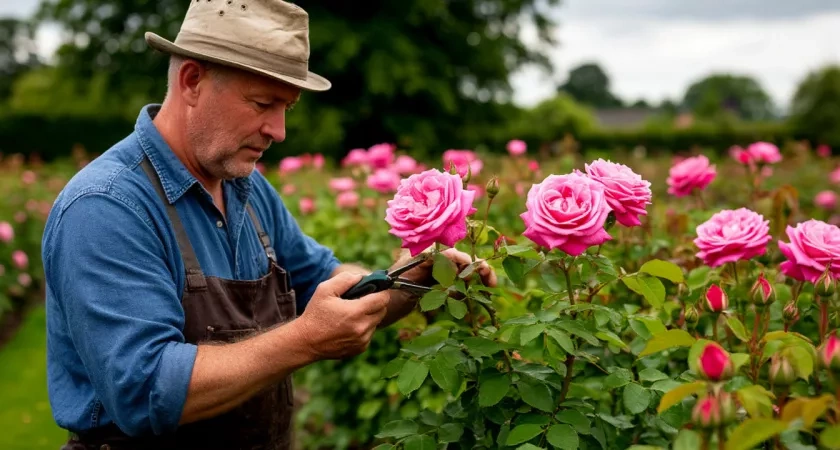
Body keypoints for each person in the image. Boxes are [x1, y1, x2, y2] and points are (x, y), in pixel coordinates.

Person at [41, 1, 497, 449]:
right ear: (192, 80)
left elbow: (328, 283)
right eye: (262, 103)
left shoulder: (247, 189)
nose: (278, 130)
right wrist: (304, 339)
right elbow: (143, 390)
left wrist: (408, 280)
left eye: (287, 108)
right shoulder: (107, 207)